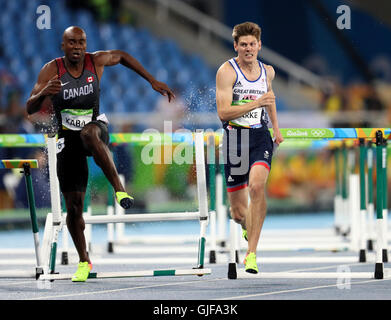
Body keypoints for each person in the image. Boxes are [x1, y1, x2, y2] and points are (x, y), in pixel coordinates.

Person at [26, 26, 175, 282]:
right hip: (66, 137)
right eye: (72, 43)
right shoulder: (51, 69)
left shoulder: (96, 61)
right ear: (63, 46)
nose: (77, 47)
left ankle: (119, 190)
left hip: (96, 128)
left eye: (81, 42)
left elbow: (123, 56)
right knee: (73, 208)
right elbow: (29, 108)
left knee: (88, 133)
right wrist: (43, 94)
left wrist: (151, 80)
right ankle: (84, 261)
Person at [215, 22, 283, 273]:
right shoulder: (227, 71)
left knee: (257, 186)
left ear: (259, 45)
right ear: (236, 46)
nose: (248, 48)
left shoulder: (268, 72)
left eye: (252, 44)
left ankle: (251, 253)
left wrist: (275, 128)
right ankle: (248, 229)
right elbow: (223, 112)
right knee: (238, 213)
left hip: (259, 137)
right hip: (234, 138)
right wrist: (256, 103)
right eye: (243, 44)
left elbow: (270, 100)